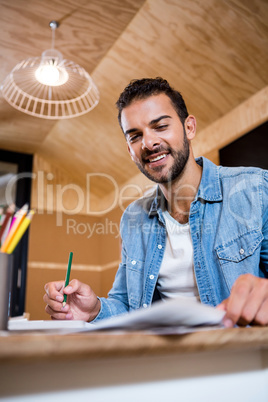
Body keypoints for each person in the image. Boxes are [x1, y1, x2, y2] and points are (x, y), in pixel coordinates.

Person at [44, 77, 268, 327]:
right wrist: (94, 310)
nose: (148, 143)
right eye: (135, 136)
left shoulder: (255, 189)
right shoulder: (133, 217)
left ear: (189, 128)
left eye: (160, 126)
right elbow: (128, 306)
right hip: (161, 360)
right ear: (130, 150)